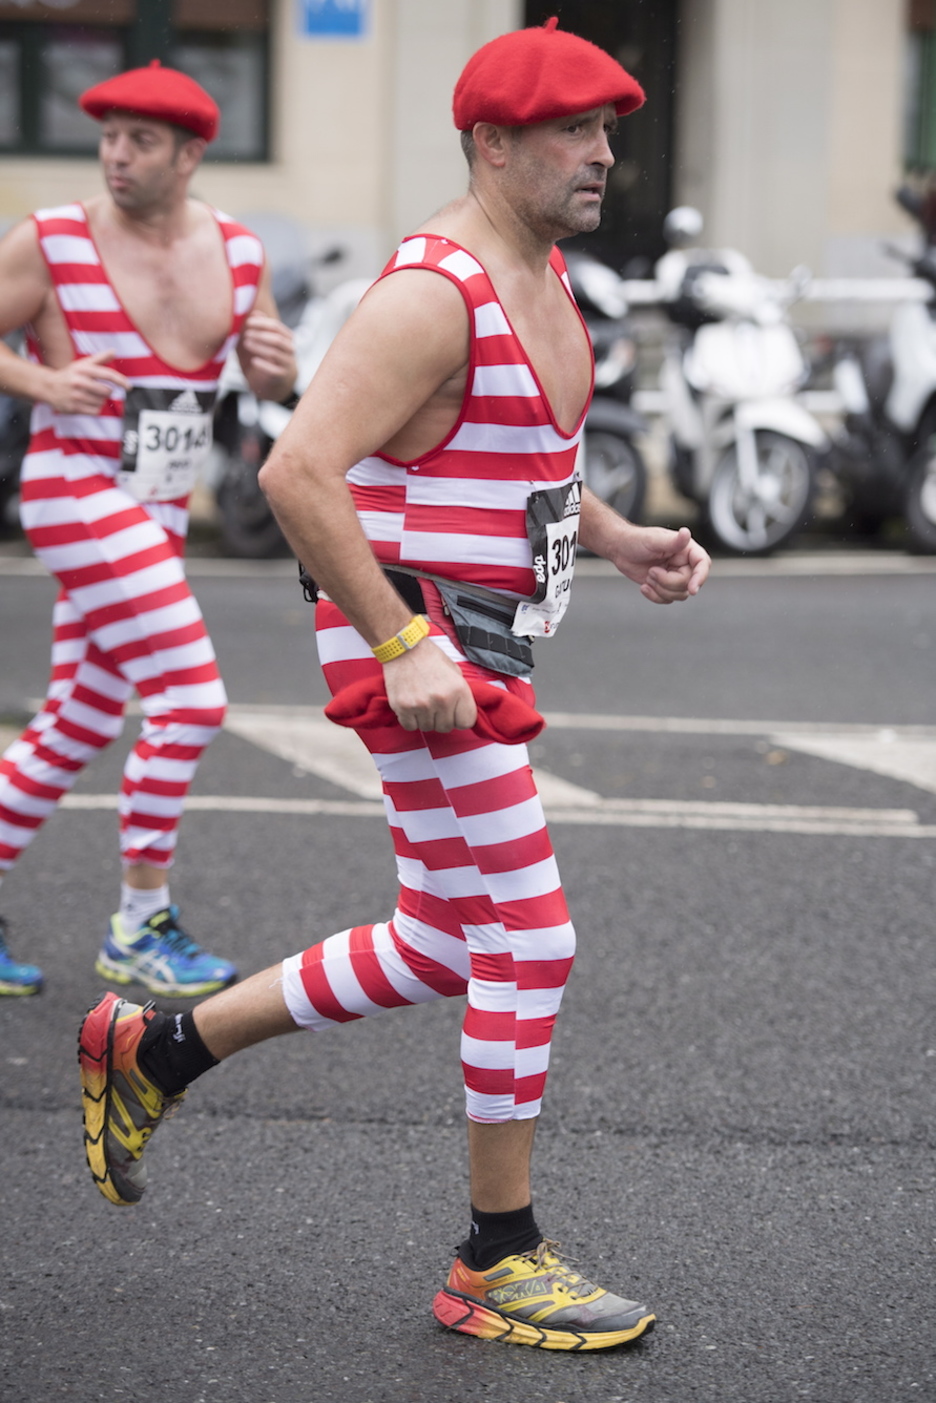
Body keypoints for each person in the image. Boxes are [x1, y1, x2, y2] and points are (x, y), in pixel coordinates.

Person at [79, 21, 710, 1350]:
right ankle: (497, 1255)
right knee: (531, 937)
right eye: (573, 130)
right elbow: (300, 469)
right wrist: (398, 642)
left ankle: (158, 1046)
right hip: (425, 638)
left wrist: (621, 537)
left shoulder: (539, 271)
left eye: (609, 129)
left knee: (439, 935)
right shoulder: (436, 288)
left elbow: (525, 456)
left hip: (472, 633)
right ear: (489, 141)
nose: (603, 154)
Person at [0, 62, 296, 997]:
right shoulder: (49, 240)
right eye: (108, 137)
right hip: (75, 489)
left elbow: (270, 384)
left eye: (139, 141)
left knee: (75, 722)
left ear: (191, 154)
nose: (115, 156)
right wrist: (44, 381)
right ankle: (139, 924)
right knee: (193, 699)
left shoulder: (242, 253)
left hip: (159, 511)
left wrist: (276, 369)